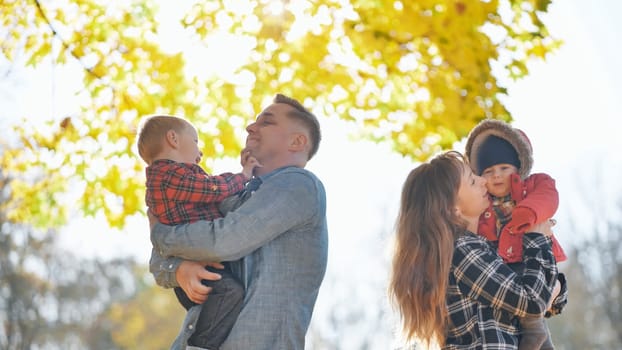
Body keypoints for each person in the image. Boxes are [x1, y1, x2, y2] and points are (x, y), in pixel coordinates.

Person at [149, 94, 328, 350]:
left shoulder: (300, 186)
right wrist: (178, 269)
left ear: (297, 141)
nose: (250, 127)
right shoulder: (232, 198)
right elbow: (159, 260)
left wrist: (159, 235)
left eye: (266, 122)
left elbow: (221, 241)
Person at [389, 151, 567, 349]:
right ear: (452, 208)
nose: (483, 180)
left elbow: (537, 302)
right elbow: (532, 303)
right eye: (472, 181)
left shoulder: (479, 247)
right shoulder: (463, 251)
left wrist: (557, 289)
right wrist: (537, 237)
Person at [136, 114, 261, 349]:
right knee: (230, 293)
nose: (200, 152)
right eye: (195, 141)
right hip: (196, 269)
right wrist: (242, 176)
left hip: (196, 269)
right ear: (173, 139)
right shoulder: (168, 176)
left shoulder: (174, 177)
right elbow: (212, 189)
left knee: (224, 308)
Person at [465, 119, 567, 349]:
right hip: (503, 265)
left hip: (530, 256)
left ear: (518, 166)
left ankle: (539, 342)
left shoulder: (533, 185)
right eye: (488, 172)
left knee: (534, 316)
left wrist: (527, 213)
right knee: (521, 308)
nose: (497, 176)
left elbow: (548, 196)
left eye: (503, 168)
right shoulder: (481, 202)